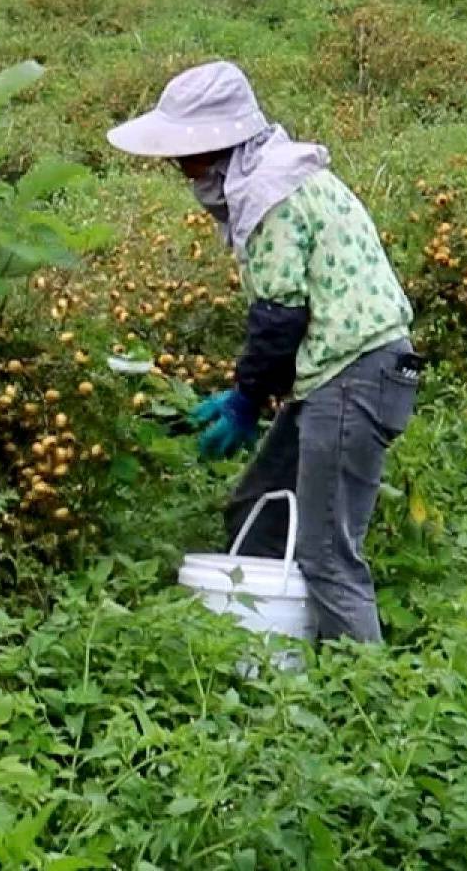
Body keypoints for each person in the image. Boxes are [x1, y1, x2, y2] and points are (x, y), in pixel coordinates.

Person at [106, 61, 421, 643]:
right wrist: (244, 393)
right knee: (258, 506)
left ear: (219, 146)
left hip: (357, 374)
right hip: (334, 374)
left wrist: (246, 400)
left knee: (328, 553)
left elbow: (280, 319)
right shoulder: (277, 177)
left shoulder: (274, 193)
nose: (181, 170)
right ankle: (258, 663)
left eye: (187, 156)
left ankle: (370, 706)